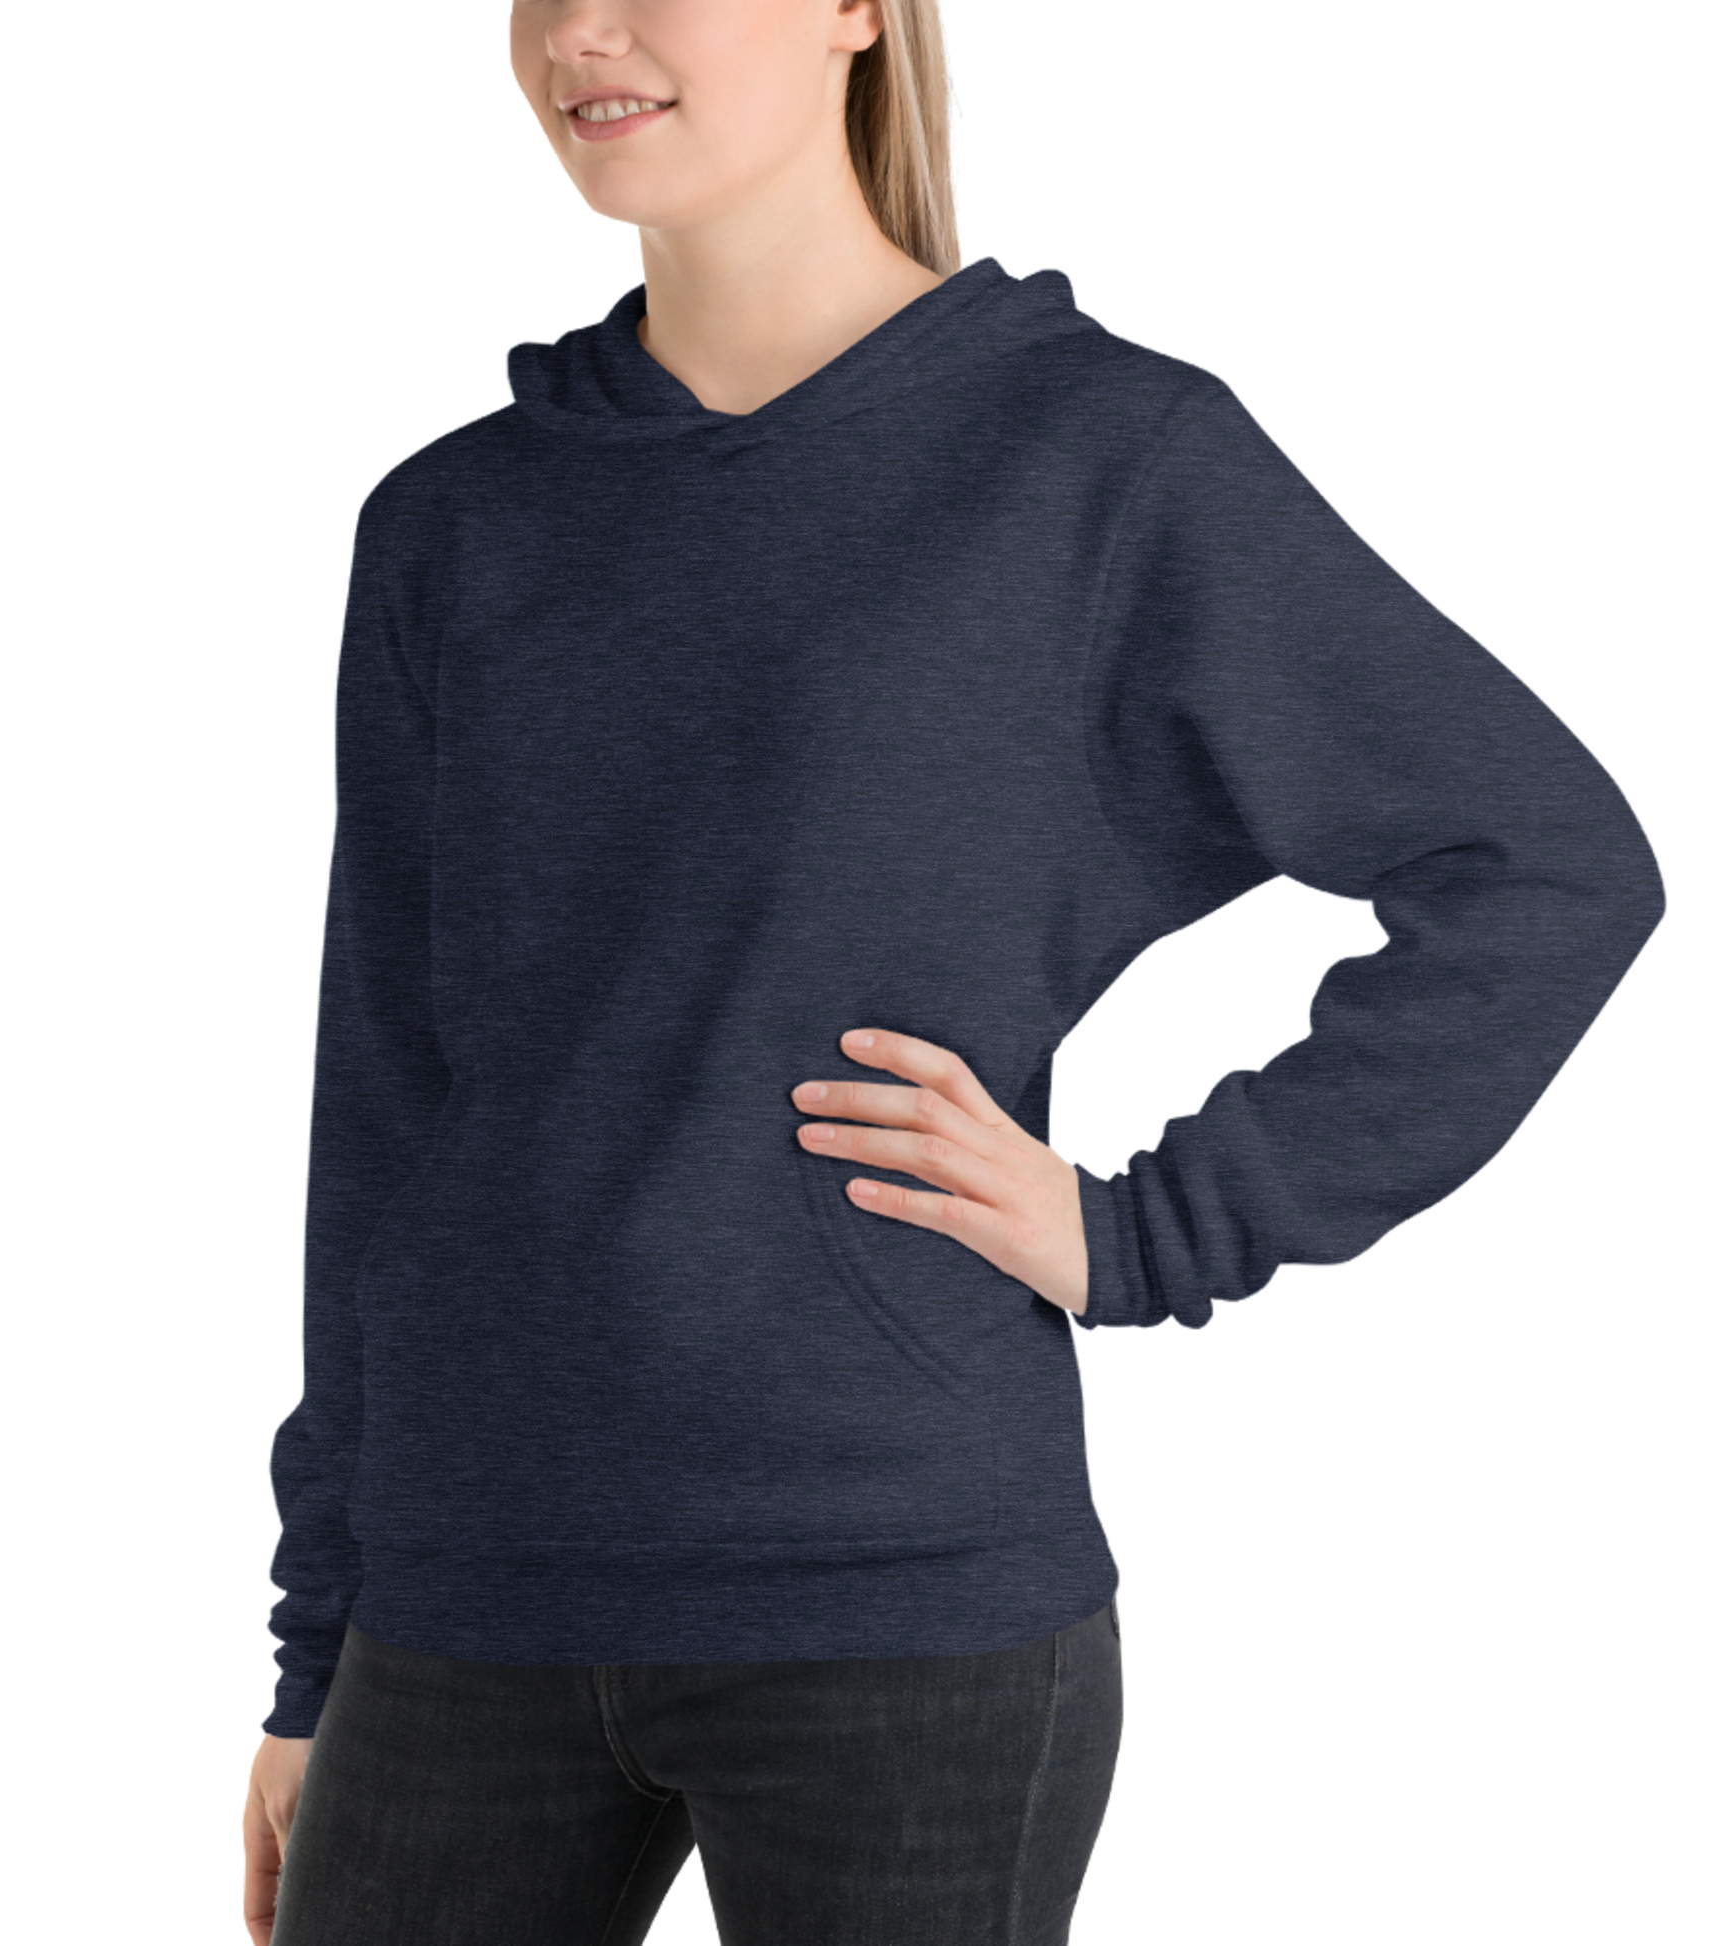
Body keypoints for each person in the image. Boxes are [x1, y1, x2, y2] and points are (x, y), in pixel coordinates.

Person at [237, 3, 1670, 1942]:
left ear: (855, 6)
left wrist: (1143, 1231)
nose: (584, 27)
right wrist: (311, 1645)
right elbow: (381, 1105)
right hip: (457, 1599)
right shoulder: (448, 516)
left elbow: (1542, 865)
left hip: (894, 1608)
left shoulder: (1094, 455)